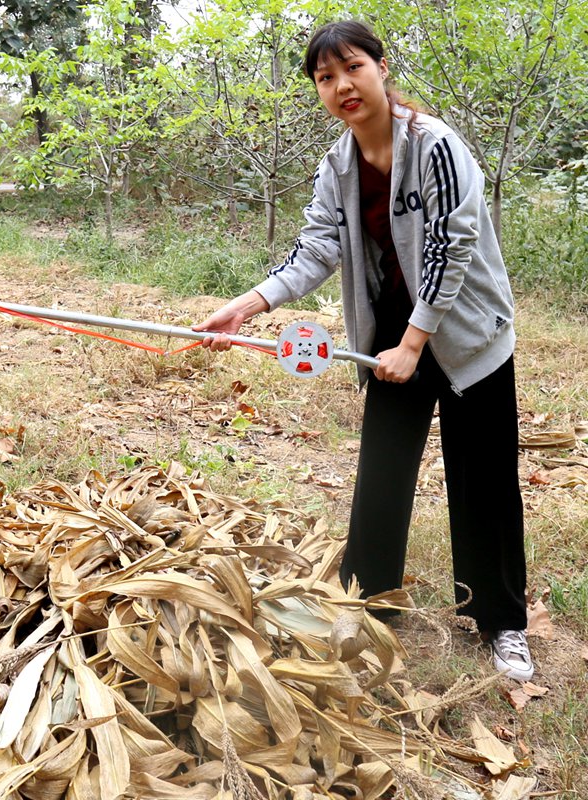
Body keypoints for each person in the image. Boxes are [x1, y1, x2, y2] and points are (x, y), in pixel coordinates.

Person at [192, 20, 533, 681]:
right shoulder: (338, 166)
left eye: (352, 67)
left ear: (381, 67)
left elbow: (450, 245)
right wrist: (250, 303)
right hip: (394, 330)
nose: (341, 85)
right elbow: (317, 248)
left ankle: (502, 622)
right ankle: (370, 604)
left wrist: (414, 342)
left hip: (469, 328)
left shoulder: (433, 145)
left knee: (484, 478)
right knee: (381, 472)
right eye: (325, 77)